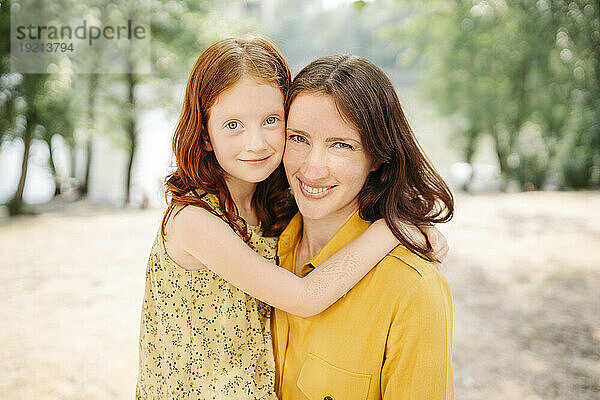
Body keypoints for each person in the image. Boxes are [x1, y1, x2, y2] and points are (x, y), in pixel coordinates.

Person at [136, 37, 446, 400]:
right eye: (232, 125)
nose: (256, 143)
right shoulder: (194, 221)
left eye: (271, 121)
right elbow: (303, 296)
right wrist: (395, 229)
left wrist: (408, 222)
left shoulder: (274, 211)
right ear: (204, 134)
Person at [271, 55, 455, 400]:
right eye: (298, 138)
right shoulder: (260, 248)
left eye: (341, 145)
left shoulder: (413, 290)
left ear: (377, 157)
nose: (312, 169)